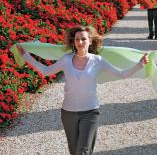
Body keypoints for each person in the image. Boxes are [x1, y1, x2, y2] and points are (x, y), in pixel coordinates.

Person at [16, 25, 149, 155]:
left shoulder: (98, 61)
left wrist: (140, 64)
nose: (80, 42)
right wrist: (26, 56)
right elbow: (46, 71)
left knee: (83, 152)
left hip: (90, 112)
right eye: (77, 39)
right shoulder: (66, 60)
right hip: (68, 112)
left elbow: (121, 74)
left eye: (83, 39)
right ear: (73, 42)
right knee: (74, 152)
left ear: (90, 41)